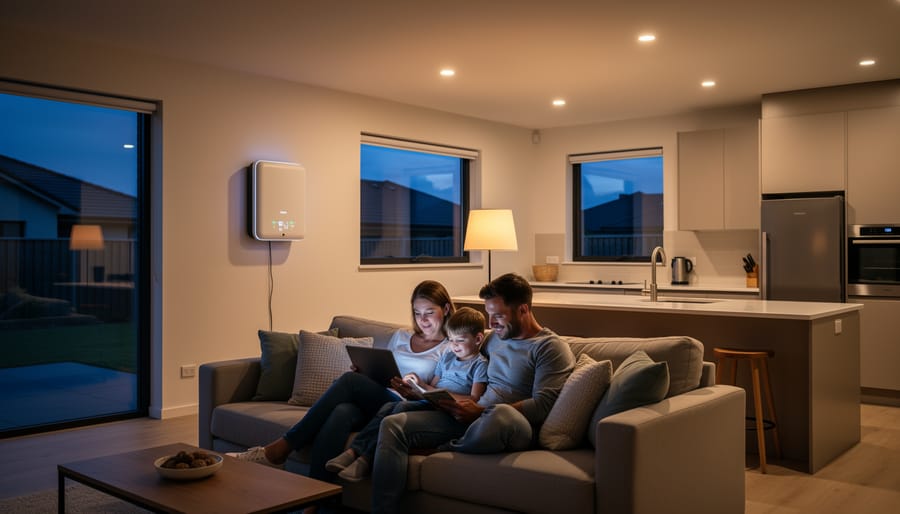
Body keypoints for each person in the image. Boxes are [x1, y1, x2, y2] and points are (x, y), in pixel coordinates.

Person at [369, 273, 575, 514]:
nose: (492, 323)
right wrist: (426, 394)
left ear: (523, 310)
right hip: (472, 416)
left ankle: (444, 447)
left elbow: (543, 405)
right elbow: (464, 368)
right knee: (394, 422)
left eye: (498, 315)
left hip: (511, 425)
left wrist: (481, 411)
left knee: (500, 414)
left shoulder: (550, 347)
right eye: (489, 315)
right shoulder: (495, 339)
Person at [227, 280, 455, 485]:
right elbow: (384, 367)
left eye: (429, 312)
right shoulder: (401, 337)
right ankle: (316, 501)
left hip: (403, 405)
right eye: (417, 313)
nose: (422, 320)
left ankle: (281, 449)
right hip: (379, 396)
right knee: (341, 412)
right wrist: (366, 371)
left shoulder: (449, 347)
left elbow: (439, 392)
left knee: (348, 382)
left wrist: (415, 390)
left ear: (445, 310)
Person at [324, 306, 489, 482]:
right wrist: (418, 383)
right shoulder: (447, 357)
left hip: (450, 410)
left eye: (460, 341)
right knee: (389, 406)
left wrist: (442, 394)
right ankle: (354, 452)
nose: (454, 346)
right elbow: (432, 386)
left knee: (400, 406)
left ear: (478, 339)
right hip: (432, 402)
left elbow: (474, 399)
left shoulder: (479, 364)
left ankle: (364, 458)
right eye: (451, 340)